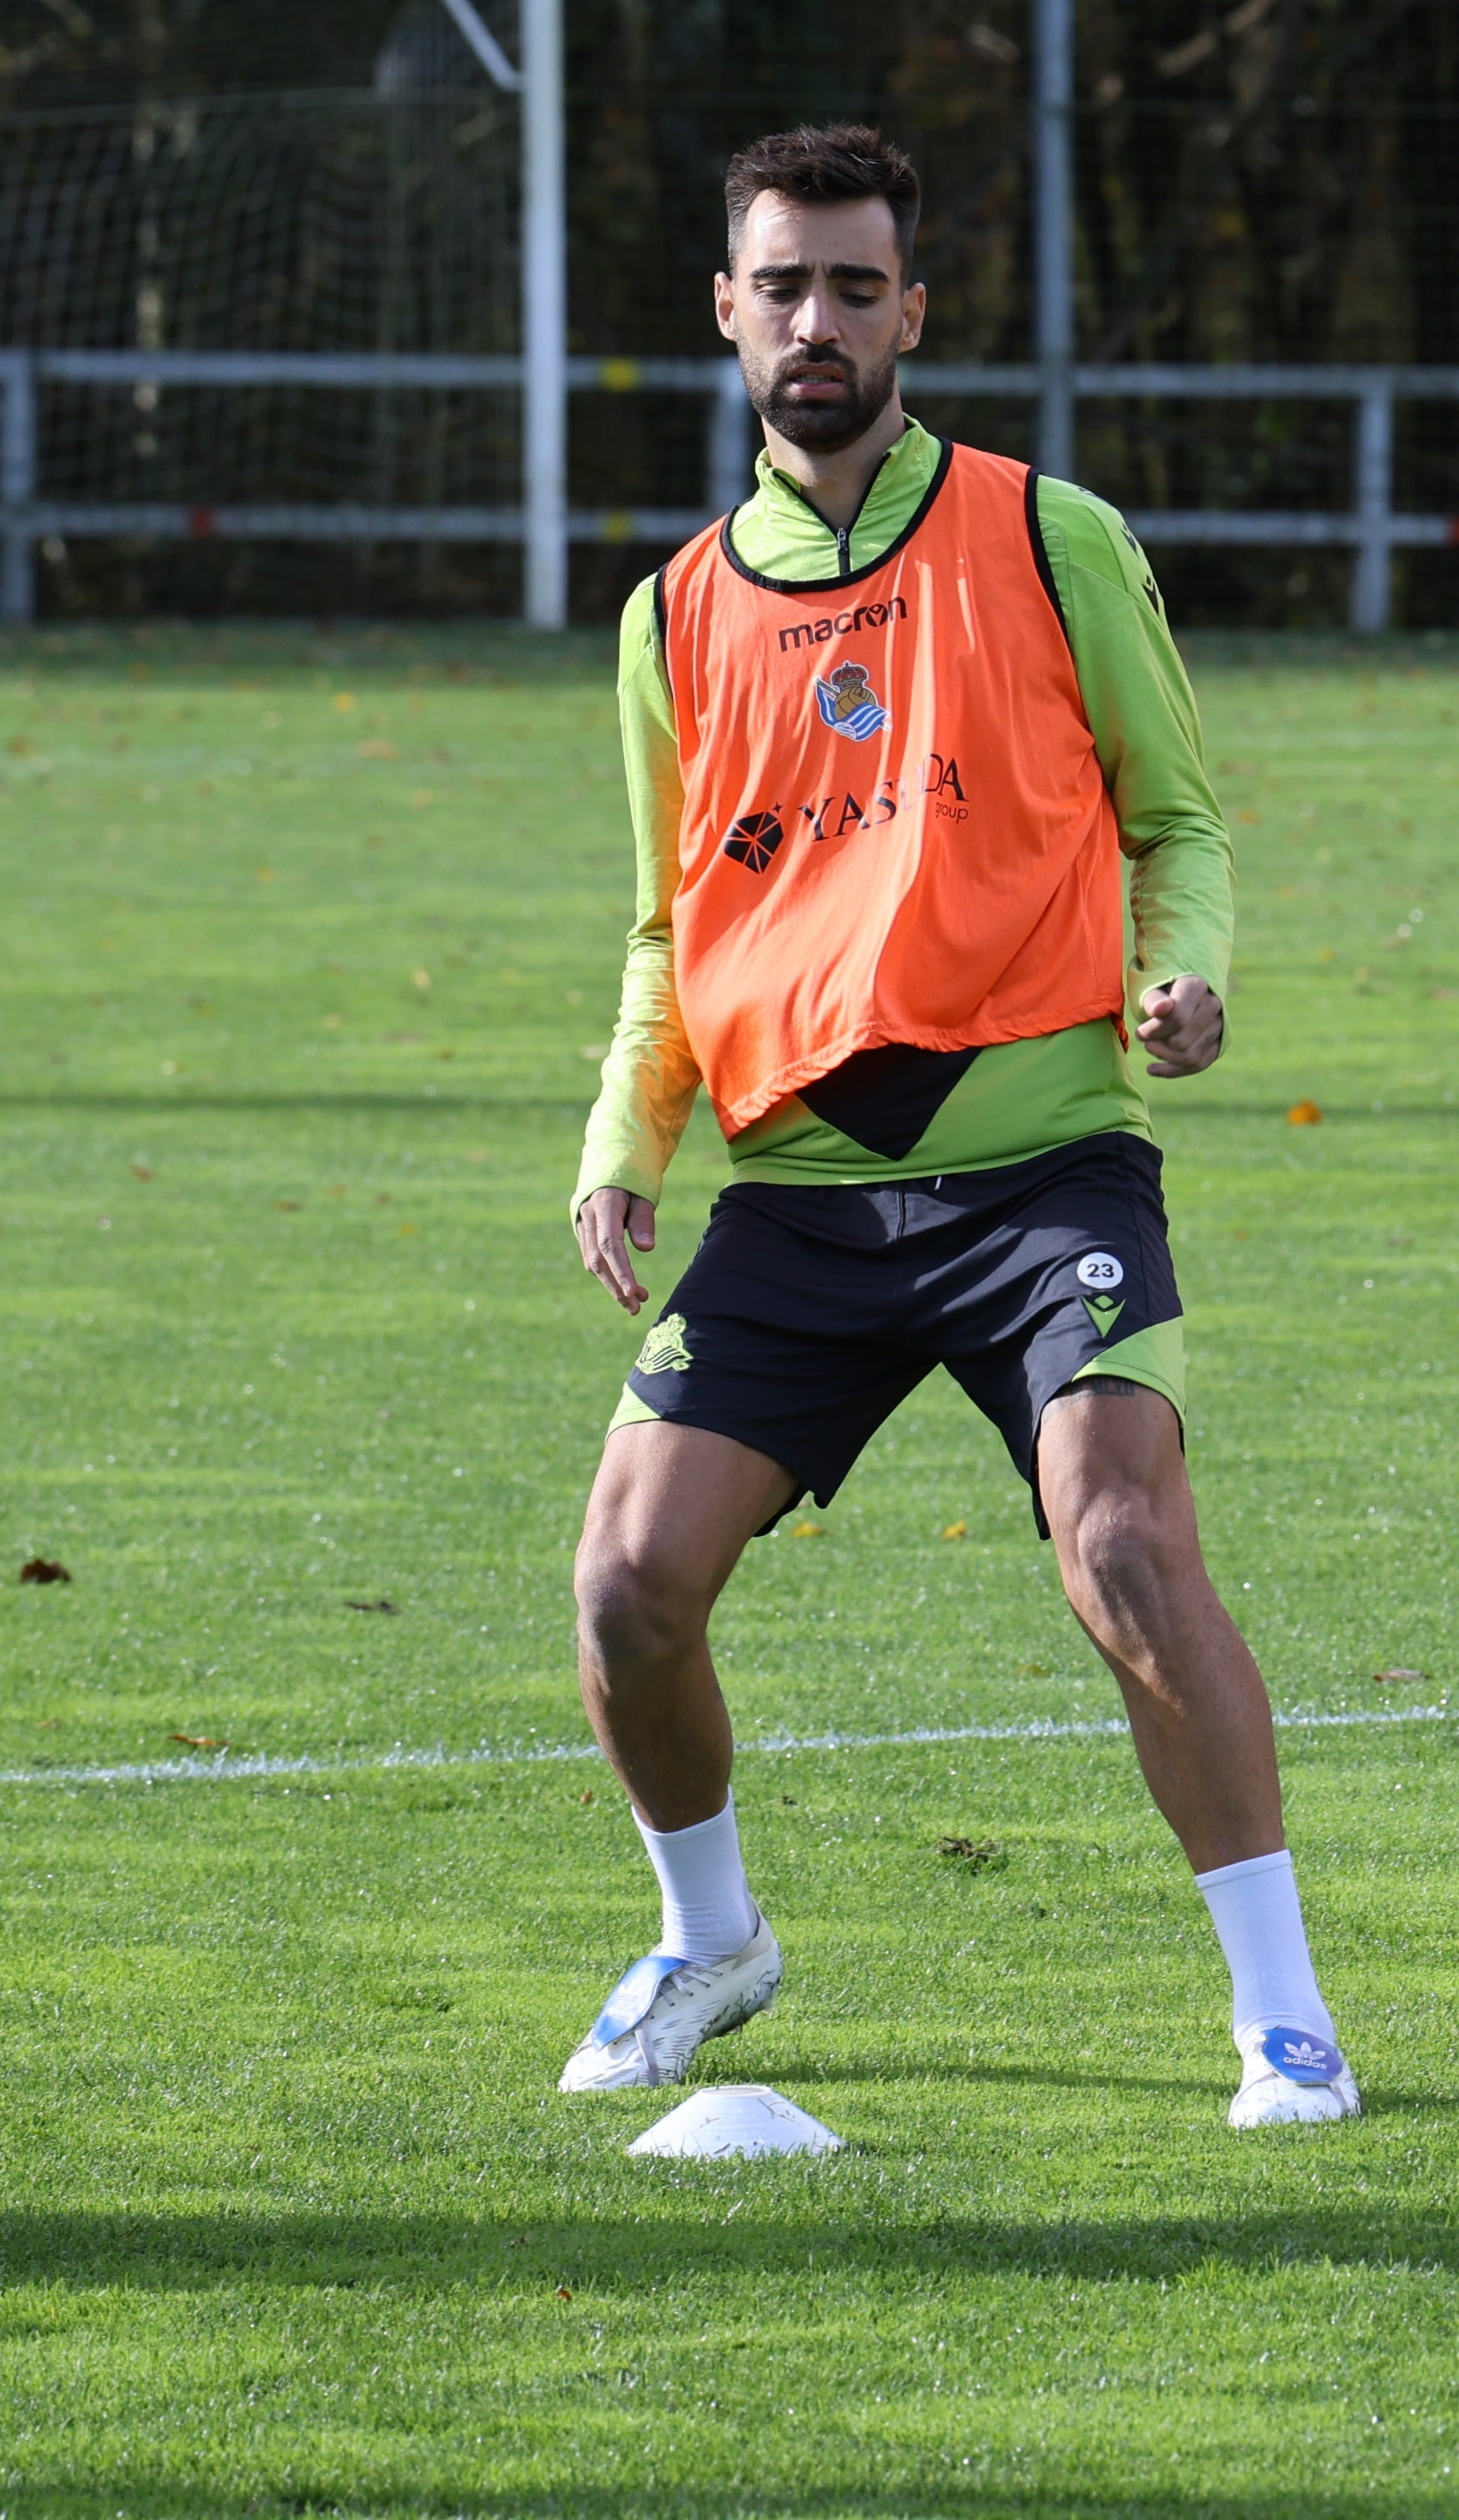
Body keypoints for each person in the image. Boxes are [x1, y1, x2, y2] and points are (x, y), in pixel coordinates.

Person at [558, 123, 1362, 2122]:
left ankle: (1282, 2011)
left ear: (912, 311)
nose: (815, 321)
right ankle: (709, 1935)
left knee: (1124, 1548)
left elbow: (1174, 816)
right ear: (725, 313)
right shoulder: (670, 618)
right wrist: (621, 1138)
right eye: (781, 285)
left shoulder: (1046, 534)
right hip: (803, 1194)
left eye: (854, 285)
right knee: (627, 1587)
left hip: (1041, 1174)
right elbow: (677, 924)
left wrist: (1186, 977)